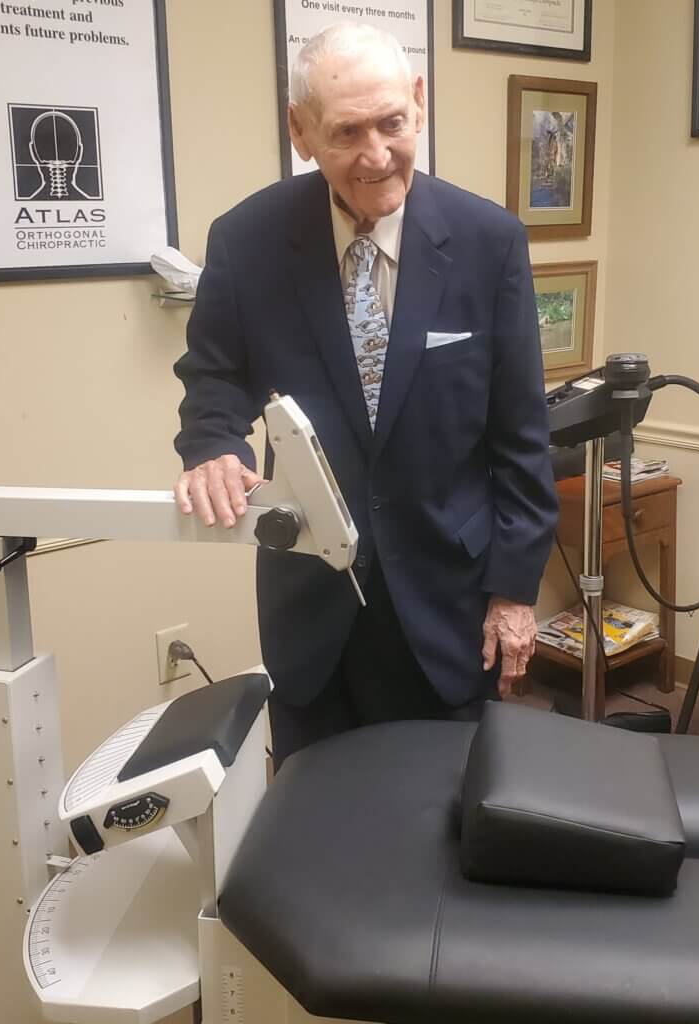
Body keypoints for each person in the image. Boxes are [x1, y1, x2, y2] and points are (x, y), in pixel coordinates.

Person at [172, 23, 558, 769]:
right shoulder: (247, 240)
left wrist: (514, 592)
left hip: (449, 602)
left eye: (392, 124)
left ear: (419, 102)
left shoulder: (489, 240)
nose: (377, 155)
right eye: (347, 132)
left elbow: (520, 433)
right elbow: (214, 372)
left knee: (444, 810)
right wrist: (212, 445)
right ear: (300, 131)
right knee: (315, 811)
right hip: (311, 605)